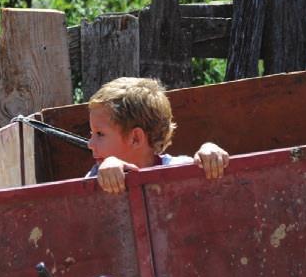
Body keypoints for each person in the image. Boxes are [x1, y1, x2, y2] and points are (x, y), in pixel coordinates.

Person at [86, 77, 229, 193]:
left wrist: (210, 156)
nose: (90, 144)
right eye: (92, 134)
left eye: (99, 134)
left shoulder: (179, 169)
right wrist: (104, 174)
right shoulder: (96, 177)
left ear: (136, 138)